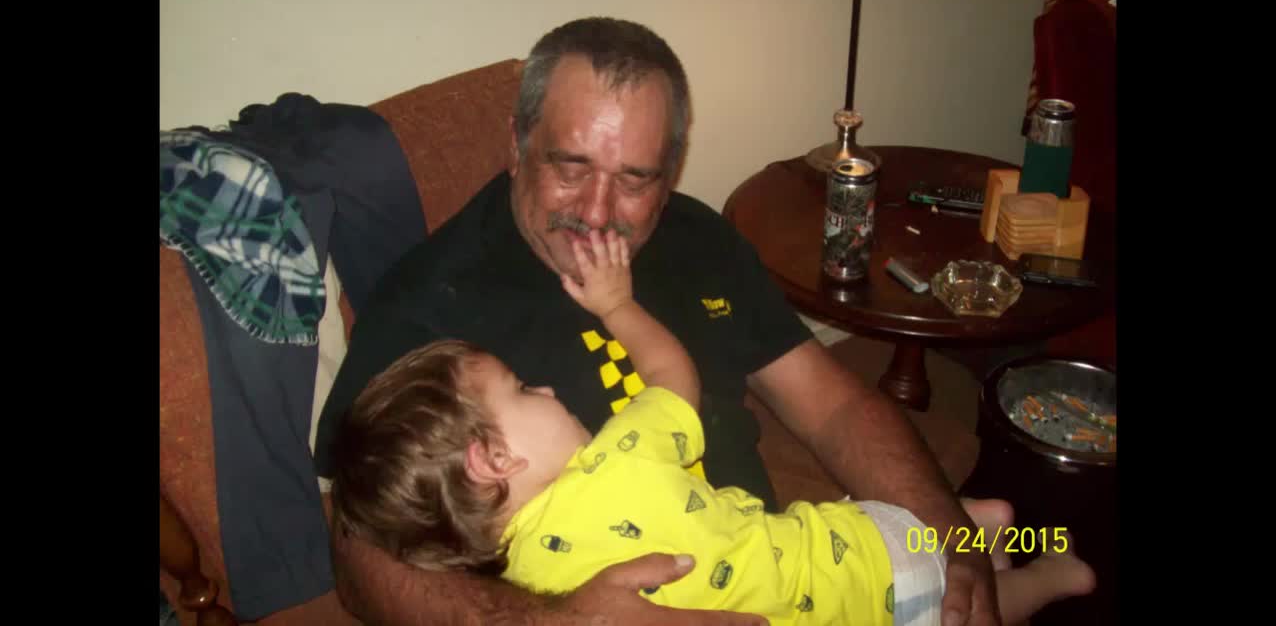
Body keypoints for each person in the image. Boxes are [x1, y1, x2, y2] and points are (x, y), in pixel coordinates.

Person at [313, 16, 1007, 626]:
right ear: (517, 146)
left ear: (671, 170)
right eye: (570, 166)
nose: (596, 212)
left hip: (777, 579)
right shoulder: (428, 305)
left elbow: (832, 407)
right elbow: (356, 551)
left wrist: (952, 538)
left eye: (635, 179)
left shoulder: (699, 240)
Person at [328, 229, 1097, 626]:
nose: (549, 387)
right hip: (852, 546)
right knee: (941, 569)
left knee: (980, 594)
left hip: (862, 582)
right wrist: (616, 305)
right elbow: (673, 377)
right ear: (491, 458)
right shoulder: (618, 456)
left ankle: (1048, 576)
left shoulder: (532, 586)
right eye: (523, 391)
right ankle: (997, 530)